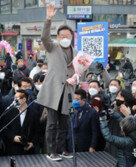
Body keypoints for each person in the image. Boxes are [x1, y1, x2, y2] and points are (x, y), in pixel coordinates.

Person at [37, 3, 79, 161]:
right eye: (62, 36)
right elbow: (44, 37)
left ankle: (62, 149)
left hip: (68, 91)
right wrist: (48, 19)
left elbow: (81, 70)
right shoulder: (52, 47)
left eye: (68, 36)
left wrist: (77, 77)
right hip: (53, 91)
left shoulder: (76, 52)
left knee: (64, 124)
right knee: (52, 123)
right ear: (58, 37)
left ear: (72, 37)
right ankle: (51, 151)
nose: (65, 38)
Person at [3, 90, 39, 155]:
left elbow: (37, 131)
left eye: (17, 99)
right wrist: (13, 137)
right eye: (14, 98)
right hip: (12, 149)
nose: (14, 101)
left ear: (24, 99)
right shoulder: (10, 112)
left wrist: (33, 143)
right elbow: (5, 129)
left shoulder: (34, 113)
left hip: (28, 150)